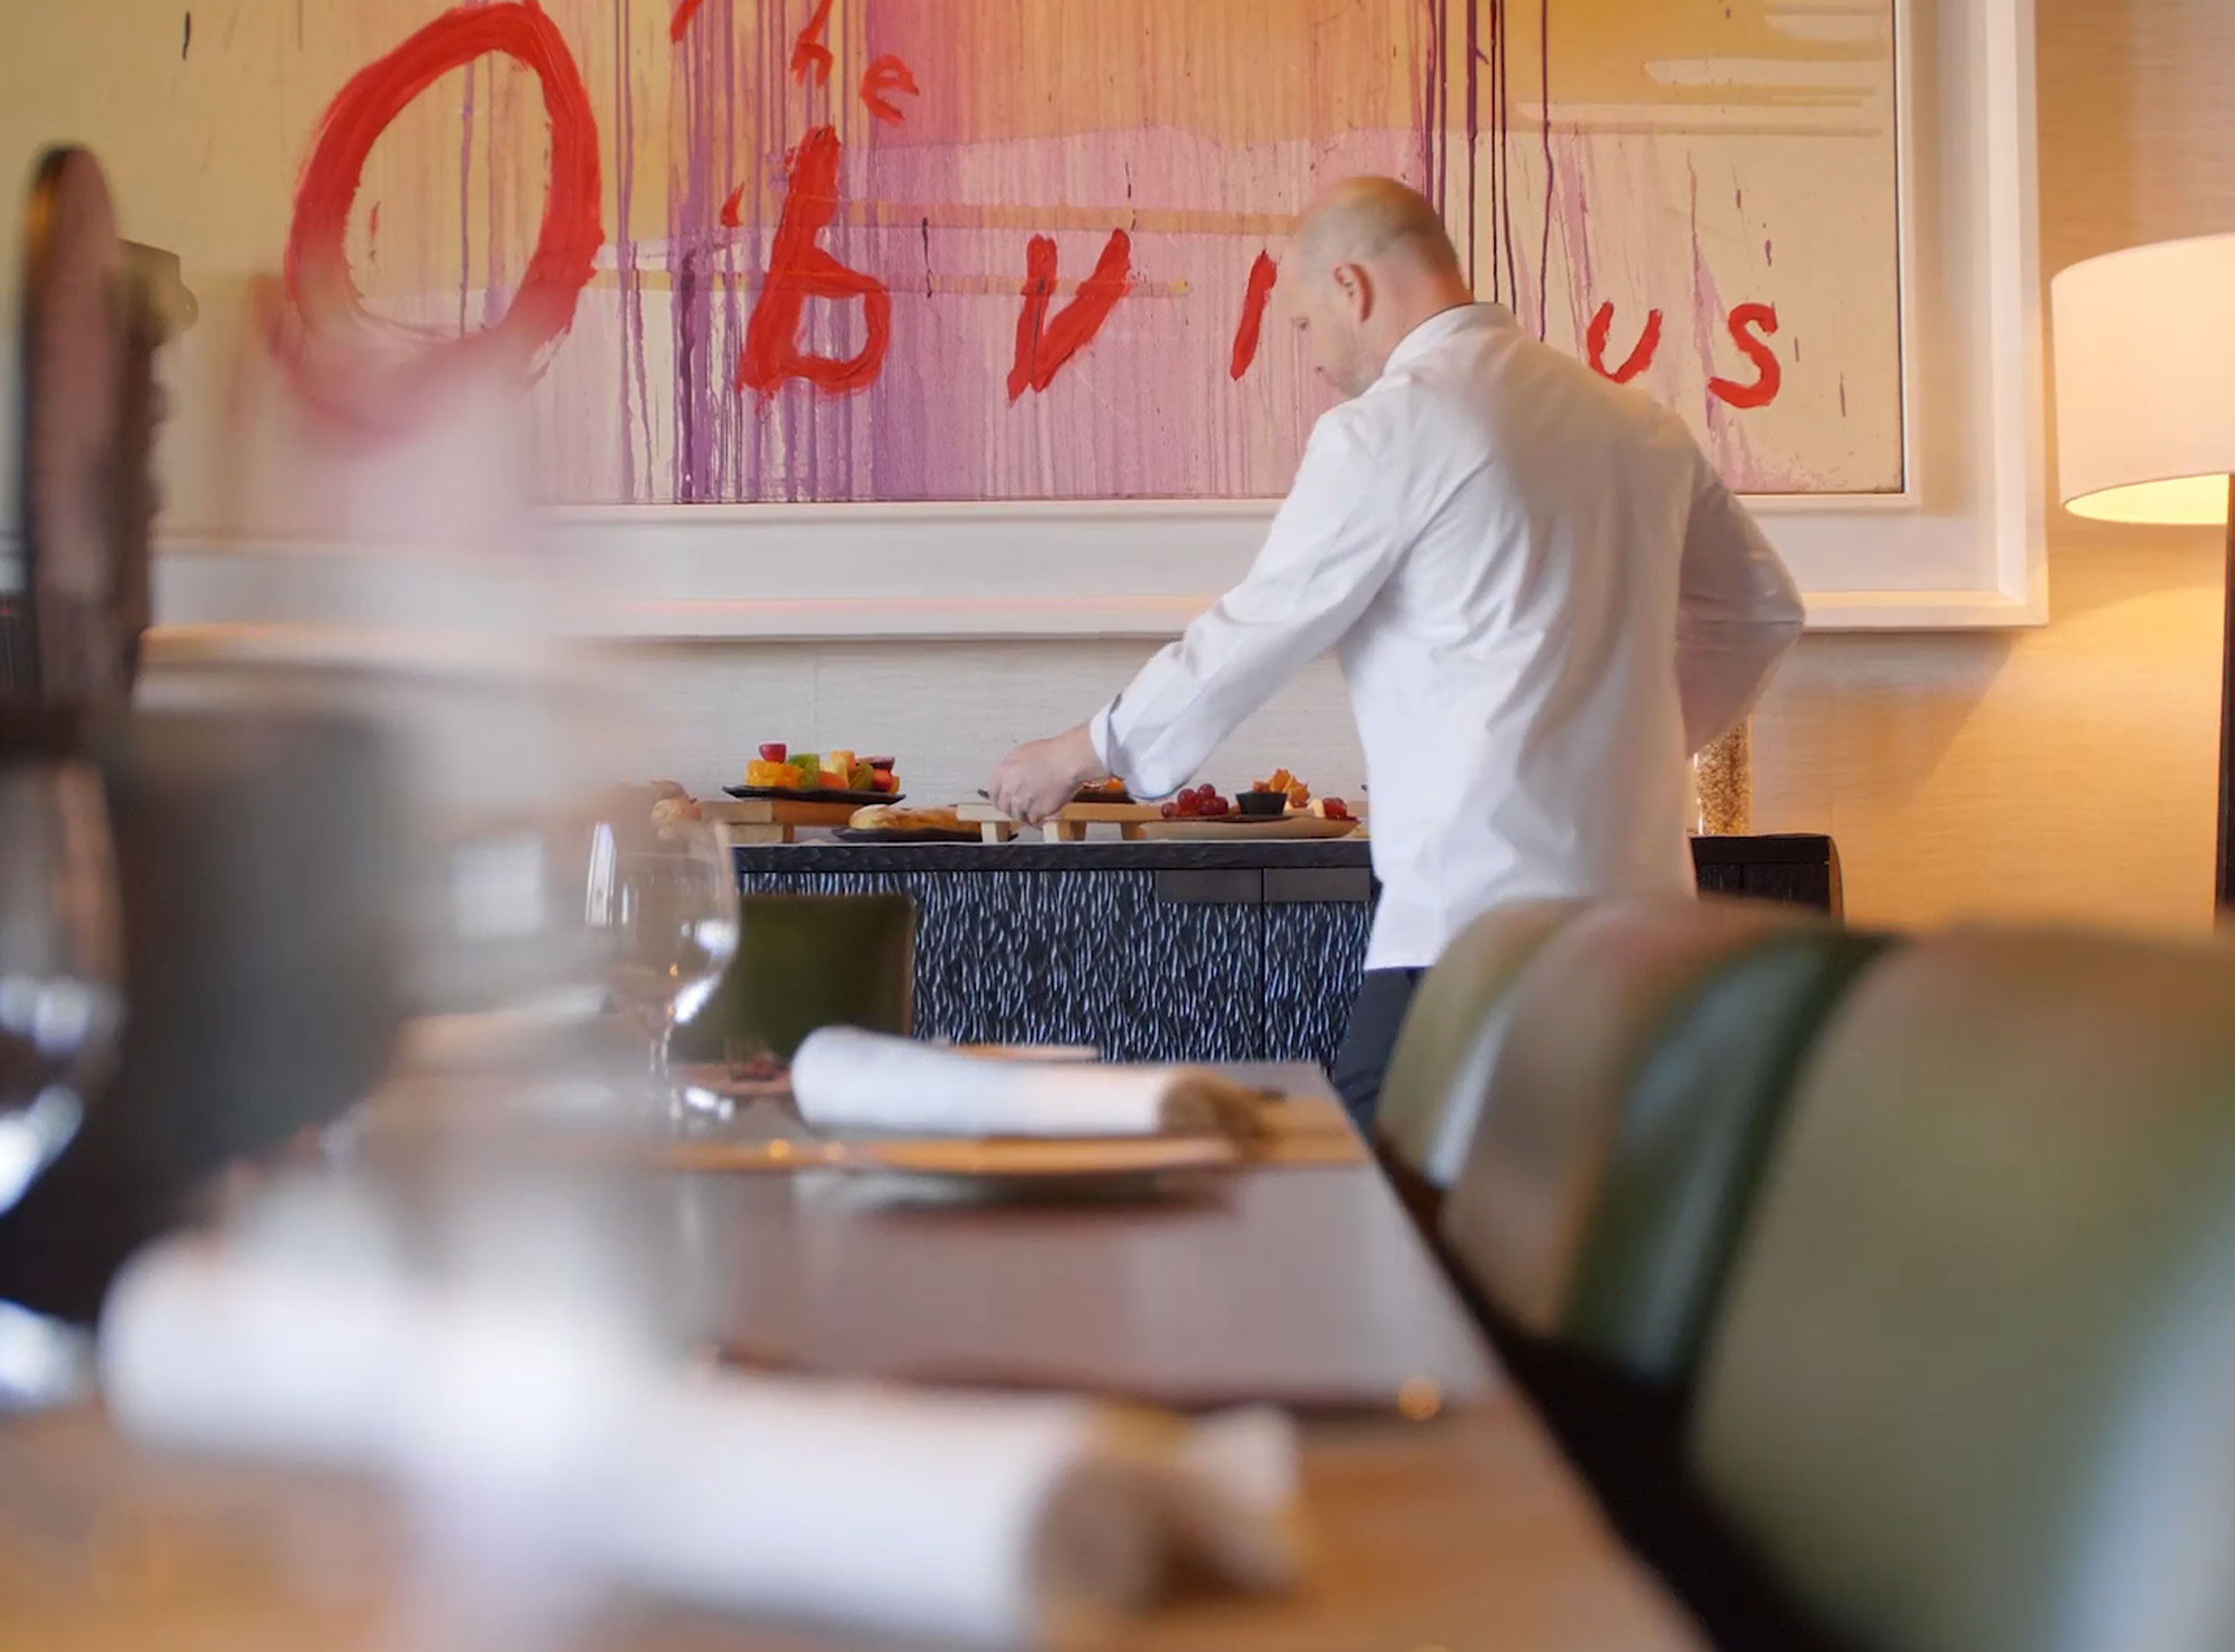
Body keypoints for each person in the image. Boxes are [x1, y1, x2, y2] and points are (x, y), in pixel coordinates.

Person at [989, 176, 1803, 1127]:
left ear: (1352, 286)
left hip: (1475, 923)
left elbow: (1262, 625)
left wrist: (1084, 750)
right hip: (1645, 927)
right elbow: (1758, 613)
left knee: (1375, 1180)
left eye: (1304, 324)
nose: (1312, 358)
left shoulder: (1390, 427)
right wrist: (1638, 745)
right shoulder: (1639, 426)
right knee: (1575, 1200)